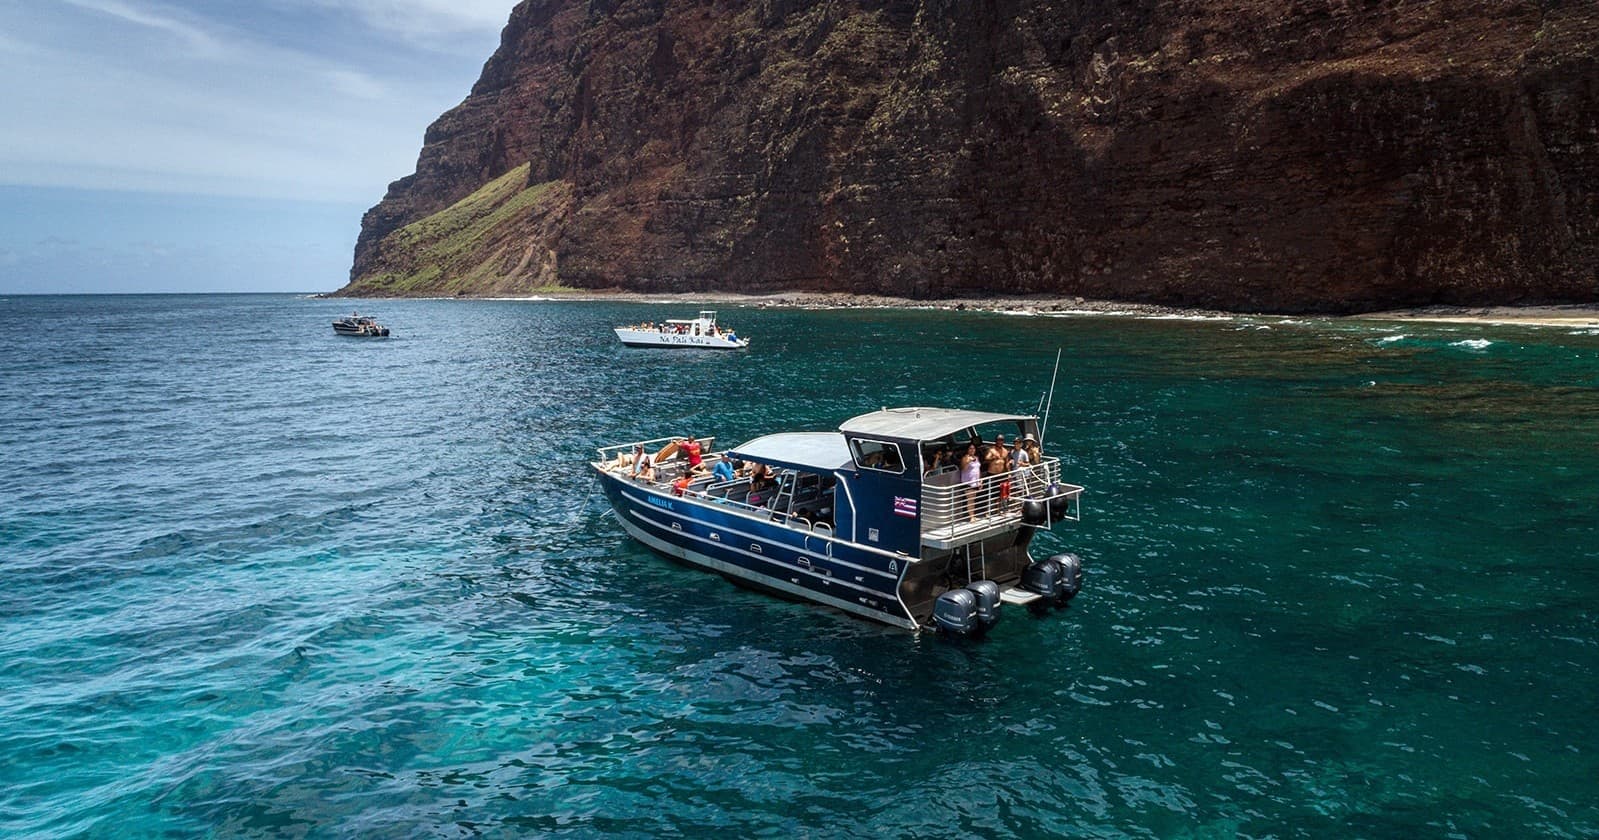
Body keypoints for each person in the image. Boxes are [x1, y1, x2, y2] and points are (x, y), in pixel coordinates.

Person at [959, 442, 981, 521]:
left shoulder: (976, 457)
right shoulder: (965, 458)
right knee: (970, 499)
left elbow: (977, 470)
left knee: (973, 499)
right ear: (967, 450)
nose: (972, 450)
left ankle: (973, 515)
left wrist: (979, 480)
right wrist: (968, 461)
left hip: (975, 482)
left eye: (973, 448)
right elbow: (963, 468)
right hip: (968, 482)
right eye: (970, 448)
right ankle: (971, 517)